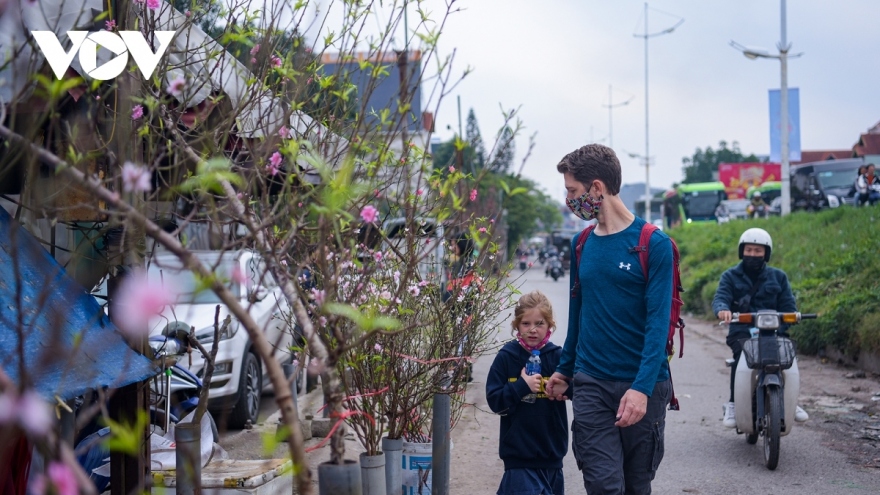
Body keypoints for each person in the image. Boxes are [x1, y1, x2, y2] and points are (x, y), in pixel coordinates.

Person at [545, 144, 673, 494]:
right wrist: (565, 369)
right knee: (603, 486)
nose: (570, 199)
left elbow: (658, 326)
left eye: (573, 191)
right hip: (592, 385)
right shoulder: (581, 243)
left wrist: (641, 389)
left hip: (644, 386)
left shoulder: (654, 244)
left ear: (596, 188)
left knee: (636, 486)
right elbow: (579, 314)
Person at [712, 227, 809, 428]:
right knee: (740, 359)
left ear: (766, 253)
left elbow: (788, 305)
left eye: (758, 251)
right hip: (742, 330)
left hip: (774, 331)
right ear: (742, 251)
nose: (753, 255)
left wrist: (792, 316)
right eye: (749, 250)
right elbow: (721, 298)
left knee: (787, 359)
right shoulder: (730, 276)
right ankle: (732, 403)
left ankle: (791, 402)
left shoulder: (779, 277)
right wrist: (723, 310)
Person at [486, 291, 570, 495]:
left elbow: (585, 390)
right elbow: (495, 401)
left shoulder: (559, 357)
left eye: (539, 323)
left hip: (552, 458)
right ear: (516, 325)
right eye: (526, 324)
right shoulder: (507, 357)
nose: (532, 330)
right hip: (519, 457)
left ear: (550, 325)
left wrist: (568, 389)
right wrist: (522, 385)